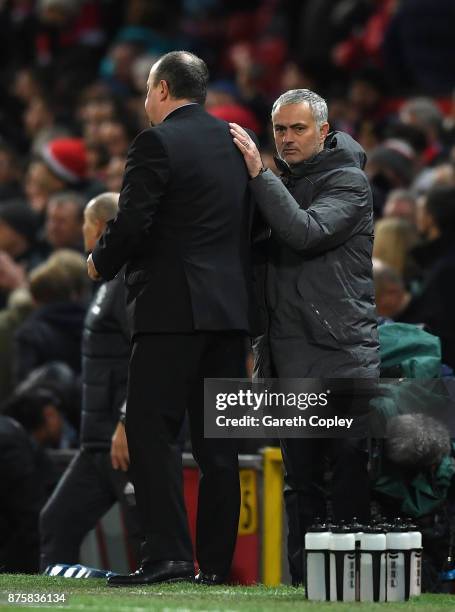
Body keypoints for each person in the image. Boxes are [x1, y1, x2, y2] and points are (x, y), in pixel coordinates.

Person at [87, 51, 256, 586]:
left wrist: (99, 261)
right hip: (229, 316)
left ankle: (169, 557)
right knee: (219, 446)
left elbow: (133, 219)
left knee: (151, 432)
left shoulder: (155, 141)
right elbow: (251, 227)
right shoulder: (236, 143)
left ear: (161, 89)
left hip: (171, 312)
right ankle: (216, 567)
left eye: (145, 91)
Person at [230, 88, 380, 585]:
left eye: (298, 129)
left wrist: (257, 174)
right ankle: (305, 591)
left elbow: (305, 232)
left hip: (341, 355)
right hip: (288, 359)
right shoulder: (276, 184)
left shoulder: (349, 182)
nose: (287, 139)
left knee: (350, 481)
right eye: (279, 130)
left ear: (324, 130)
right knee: (301, 487)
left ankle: (356, 591)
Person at [39, 192, 140, 573]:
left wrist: (126, 422)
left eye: (84, 223)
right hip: (95, 443)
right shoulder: (106, 284)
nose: (82, 231)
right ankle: (53, 602)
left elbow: (143, 358)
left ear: (99, 227)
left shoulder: (130, 281)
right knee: (55, 524)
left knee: (147, 540)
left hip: (123, 442)